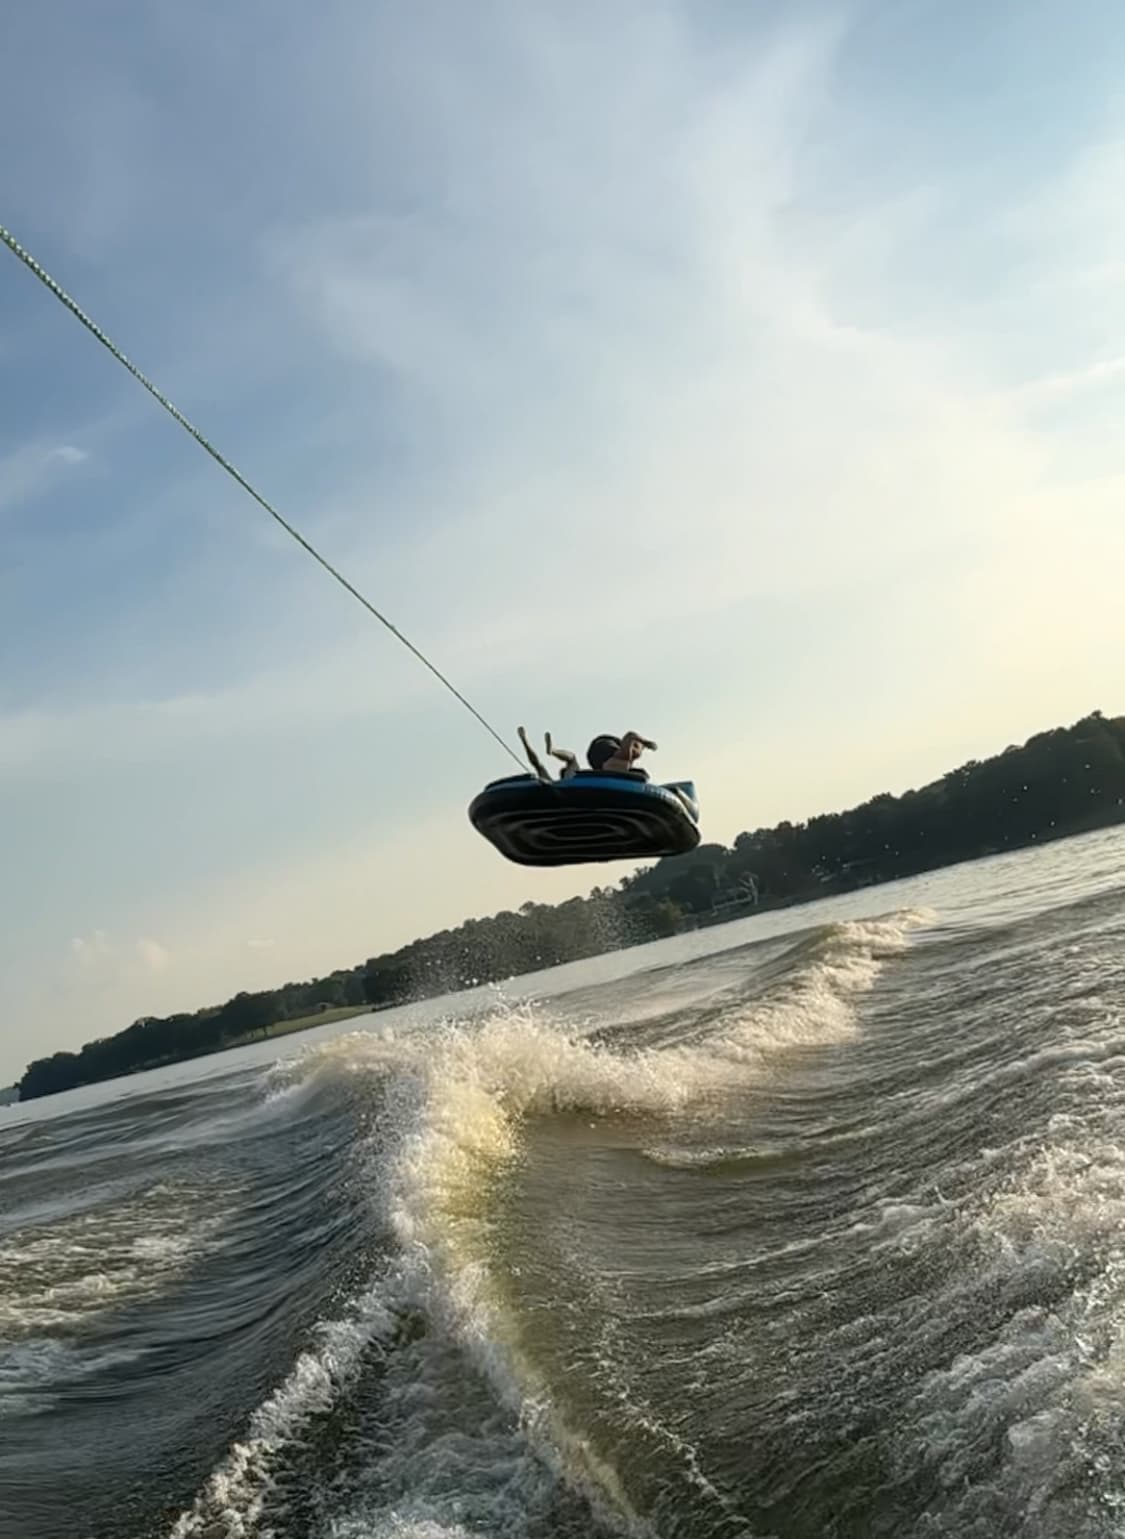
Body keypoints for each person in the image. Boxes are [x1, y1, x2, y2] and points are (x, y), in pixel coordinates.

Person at [586, 732, 657, 780]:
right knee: (624, 759)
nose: (633, 749)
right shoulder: (622, 754)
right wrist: (645, 742)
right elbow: (630, 735)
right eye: (634, 745)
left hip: (599, 760)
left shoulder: (628, 763)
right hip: (601, 750)